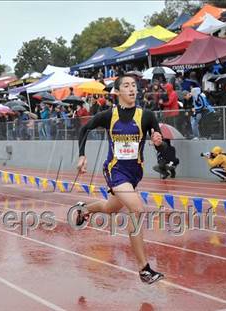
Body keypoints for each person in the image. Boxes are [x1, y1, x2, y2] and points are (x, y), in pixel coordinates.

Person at [71, 74, 165, 284]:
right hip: (115, 171)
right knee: (137, 209)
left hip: (134, 173)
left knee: (110, 208)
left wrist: (159, 142)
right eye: (127, 85)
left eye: (134, 85)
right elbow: (84, 129)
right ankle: (144, 269)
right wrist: (82, 155)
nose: (132, 89)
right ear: (118, 91)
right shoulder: (108, 116)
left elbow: (162, 145)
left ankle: (84, 210)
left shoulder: (147, 116)